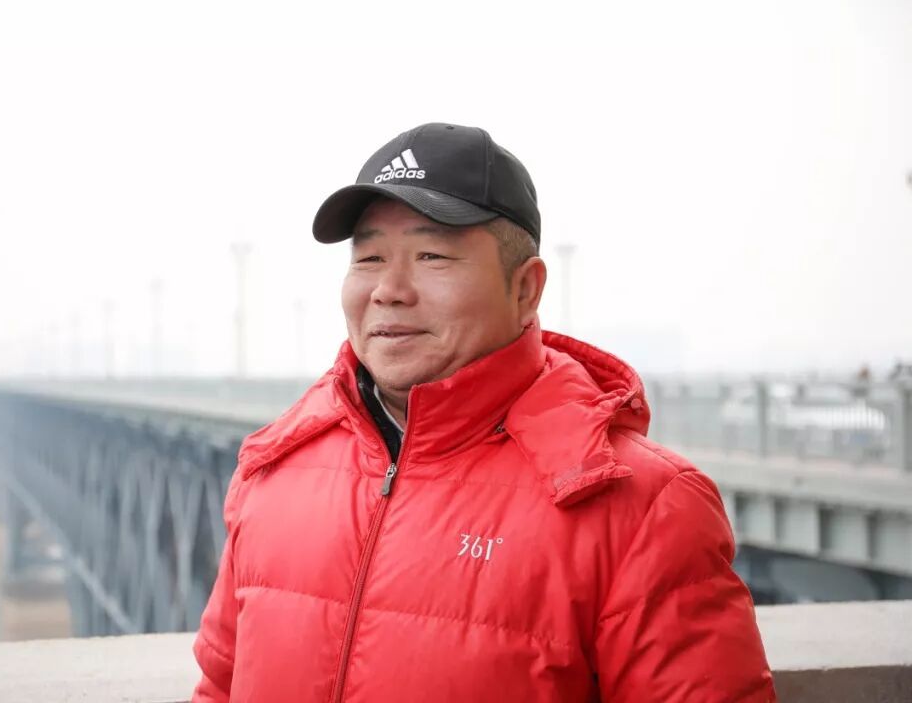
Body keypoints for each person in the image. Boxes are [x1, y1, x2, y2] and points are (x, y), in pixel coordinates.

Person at [192, 123, 775, 702]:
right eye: (369, 257)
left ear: (525, 290)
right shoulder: (271, 473)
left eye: (431, 255)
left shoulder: (645, 509)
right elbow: (220, 686)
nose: (389, 289)